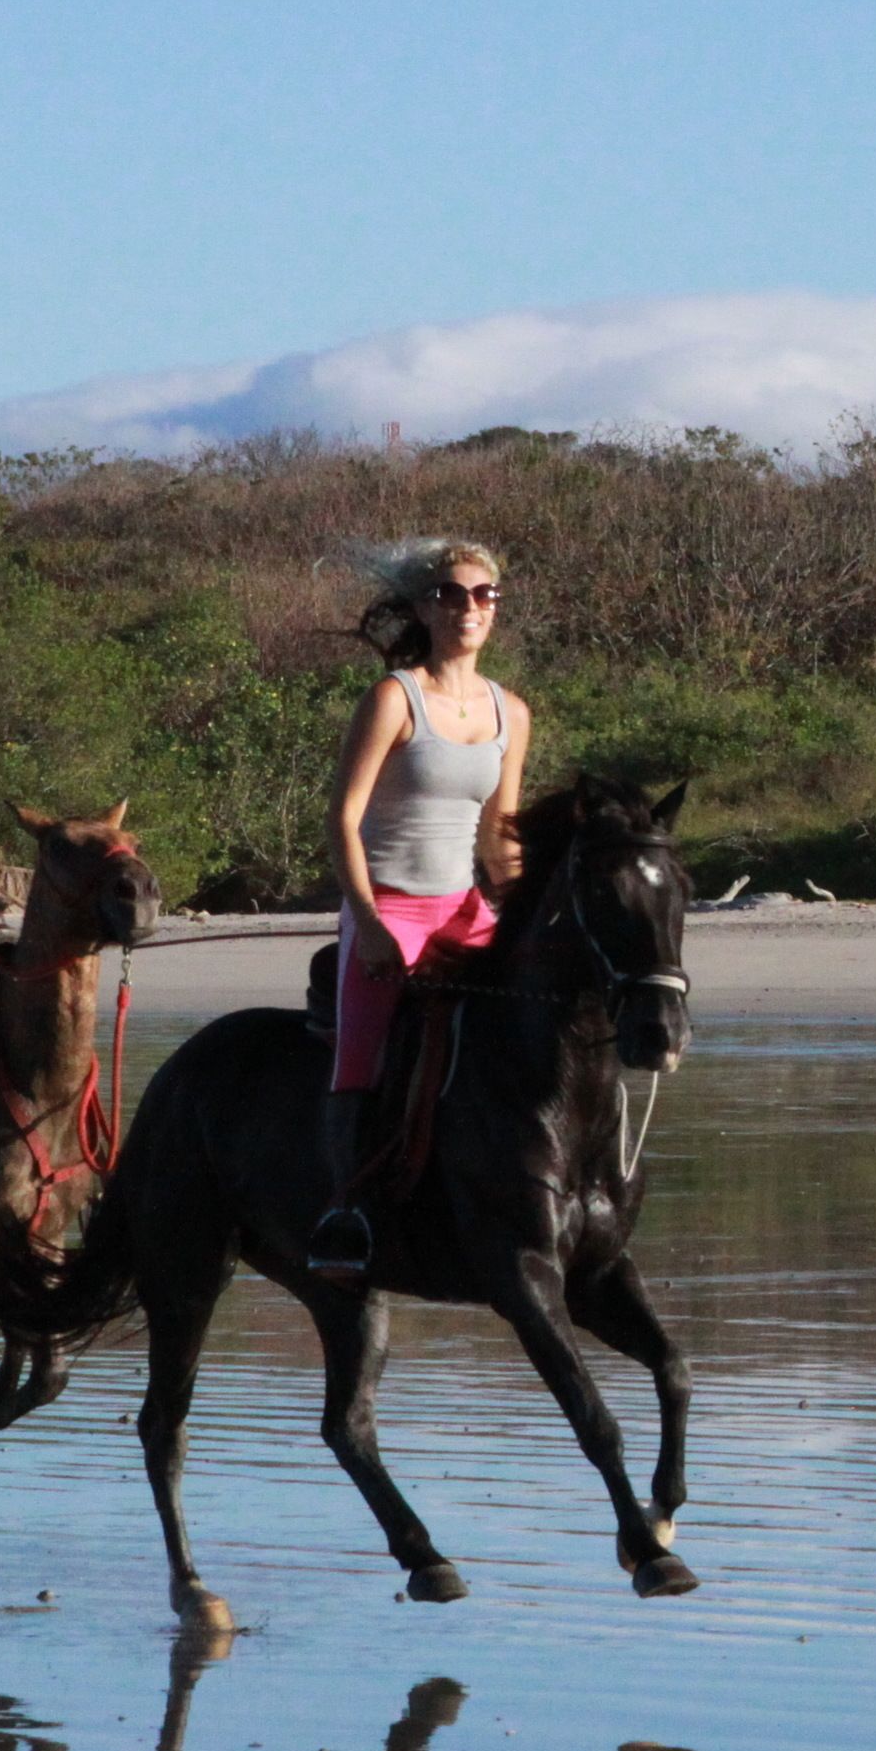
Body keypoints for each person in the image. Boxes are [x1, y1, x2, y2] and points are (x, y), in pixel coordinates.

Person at [311, 539, 533, 1279]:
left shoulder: (511, 711)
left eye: (482, 595)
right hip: (389, 908)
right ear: (421, 608)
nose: (468, 606)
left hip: (464, 908)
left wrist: (525, 913)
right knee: (364, 1055)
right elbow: (342, 819)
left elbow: (502, 835)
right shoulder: (393, 698)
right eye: (449, 593)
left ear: (495, 607)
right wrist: (369, 924)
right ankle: (345, 1210)